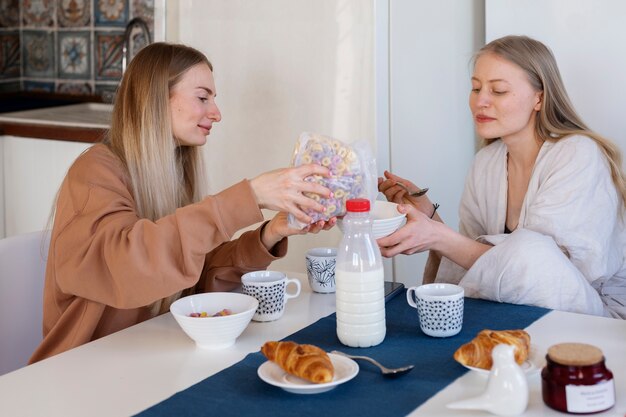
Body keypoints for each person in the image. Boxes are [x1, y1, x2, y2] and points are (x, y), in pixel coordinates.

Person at [30, 43, 335, 362]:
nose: (216, 113)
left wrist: (269, 234)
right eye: (203, 97)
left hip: (148, 357)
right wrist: (250, 196)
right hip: (78, 370)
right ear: (155, 100)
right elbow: (129, 266)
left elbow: (193, 279)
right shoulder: (94, 172)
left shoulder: (172, 174)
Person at [378, 35, 626, 318]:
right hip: (516, 309)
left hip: (594, 313)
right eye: (475, 88)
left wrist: (437, 236)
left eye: (498, 91)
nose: (480, 101)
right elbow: (474, 259)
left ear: (539, 98)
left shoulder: (578, 153)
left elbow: (550, 271)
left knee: (532, 251)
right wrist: (428, 218)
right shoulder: (486, 162)